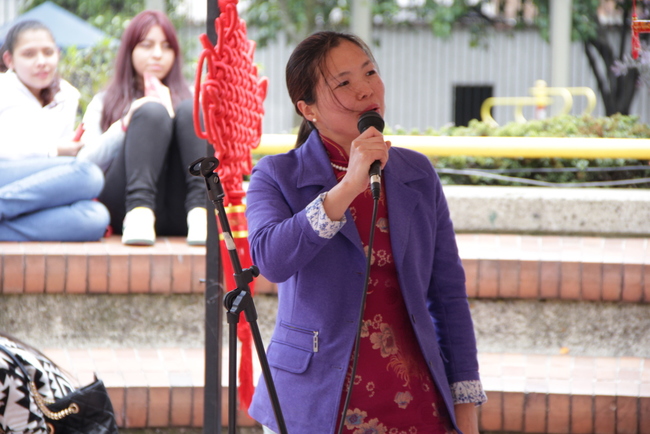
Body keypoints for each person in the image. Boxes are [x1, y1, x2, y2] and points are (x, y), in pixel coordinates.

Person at [245, 31, 487, 434]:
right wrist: (346, 188)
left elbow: (447, 294)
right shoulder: (277, 175)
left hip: (414, 400)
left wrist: (465, 403)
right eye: (343, 83)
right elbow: (270, 260)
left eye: (370, 72)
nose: (365, 89)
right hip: (313, 402)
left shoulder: (416, 173)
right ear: (308, 109)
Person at [78, 10, 207, 246]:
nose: (157, 54)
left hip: (181, 208)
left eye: (166, 47)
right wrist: (126, 122)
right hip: (125, 208)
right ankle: (140, 213)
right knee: (150, 112)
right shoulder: (106, 101)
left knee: (190, 109)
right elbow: (84, 163)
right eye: (147, 45)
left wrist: (172, 116)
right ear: (130, 50)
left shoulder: (190, 98)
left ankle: (201, 213)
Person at [0, 20, 109, 242]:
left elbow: (59, 168)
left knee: (95, 217)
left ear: (58, 54)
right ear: (9, 60)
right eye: (29, 54)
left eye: (48, 52)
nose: (41, 62)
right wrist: (54, 150)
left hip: (37, 187)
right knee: (88, 174)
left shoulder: (67, 96)